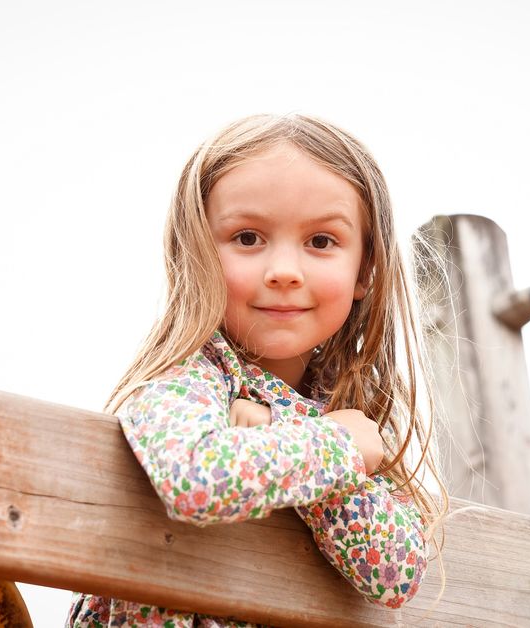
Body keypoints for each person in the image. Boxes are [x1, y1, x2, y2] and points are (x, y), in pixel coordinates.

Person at [67, 113, 449, 627]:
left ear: (365, 270)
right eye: (248, 238)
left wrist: (292, 435)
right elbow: (194, 477)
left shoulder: (344, 411)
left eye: (321, 242)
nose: (285, 272)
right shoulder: (190, 375)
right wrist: (333, 446)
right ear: (197, 253)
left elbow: (395, 573)